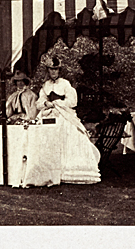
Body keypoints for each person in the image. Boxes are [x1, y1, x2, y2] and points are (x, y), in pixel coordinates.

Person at [35, 55, 101, 184]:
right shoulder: (46, 85)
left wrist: (58, 103)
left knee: (67, 132)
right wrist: (45, 104)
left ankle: (67, 169)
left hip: (63, 112)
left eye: (56, 69)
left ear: (59, 70)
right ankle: (47, 169)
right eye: (51, 69)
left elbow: (72, 101)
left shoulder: (65, 84)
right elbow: (39, 102)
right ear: (48, 70)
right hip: (49, 112)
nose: (53, 72)